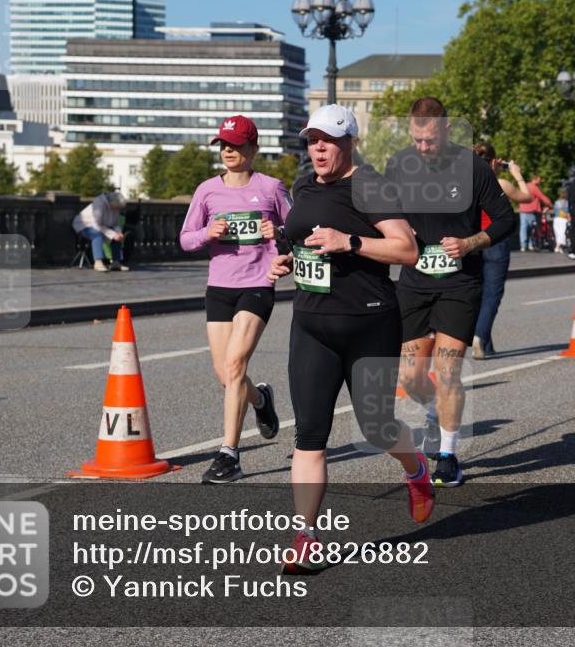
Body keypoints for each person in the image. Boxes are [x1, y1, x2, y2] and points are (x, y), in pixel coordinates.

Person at [267, 104, 433, 571]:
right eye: (311, 140)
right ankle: (307, 536)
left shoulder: (370, 185)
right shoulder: (303, 186)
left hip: (369, 322)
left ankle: (415, 468)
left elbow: (407, 250)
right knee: (309, 436)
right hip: (312, 323)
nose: (318, 148)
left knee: (377, 427)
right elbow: (300, 241)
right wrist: (287, 260)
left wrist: (352, 242)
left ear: (349, 141)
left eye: (328, 140)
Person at [384, 97, 516, 487]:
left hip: (460, 282)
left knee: (447, 372)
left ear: (444, 130)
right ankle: (434, 413)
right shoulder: (399, 165)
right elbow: (380, 213)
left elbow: (506, 219)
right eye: (416, 140)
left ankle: (447, 455)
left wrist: (471, 242)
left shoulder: (472, 168)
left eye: (429, 140)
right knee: (409, 378)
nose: (422, 148)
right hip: (414, 281)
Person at [179, 115, 286, 483]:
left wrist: (280, 232)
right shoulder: (207, 191)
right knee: (226, 374)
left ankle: (229, 455)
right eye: (224, 145)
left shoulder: (271, 188)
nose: (229, 151)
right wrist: (209, 232)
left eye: (237, 145)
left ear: (253, 149)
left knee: (237, 362)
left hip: (258, 284)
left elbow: (299, 234)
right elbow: (186, 239)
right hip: (220, 286)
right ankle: (261, 400)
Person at [472, 142, 532, 360]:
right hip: (496, 241)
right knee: (492, 294)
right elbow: (527, 197)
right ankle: (479, 336)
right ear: (494, 161)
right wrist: (517, 174)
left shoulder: (466, 182)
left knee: (478, 292)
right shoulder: (500, 183)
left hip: (473, 242)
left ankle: (486, 343)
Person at [73, 191, 129, 272]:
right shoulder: (99, 204)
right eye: (117, 207)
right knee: (97, 234)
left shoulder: (115, 206)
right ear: (111, 204)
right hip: (85, 225)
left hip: (102, 226)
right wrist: (113, 234)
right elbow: (97, 225)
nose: (118, 210)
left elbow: (115, 224)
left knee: (117, 237)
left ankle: (116, 262)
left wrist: (118, 233)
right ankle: (98, 262)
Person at [519, 175, 550, 252]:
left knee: (523, 228)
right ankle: (530, 245)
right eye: (539, 180)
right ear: (535, 180)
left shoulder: (525, 185)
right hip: (531, 211)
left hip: (522, 210)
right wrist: (551, 205)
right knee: (531, 229)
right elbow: (542, 197)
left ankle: (523, 246)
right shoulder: (534, 187)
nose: (540, 181)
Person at [553, 189, 569, 253]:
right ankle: (557, 246)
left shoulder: (556, 202)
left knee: (558, 234)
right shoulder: (567, 202)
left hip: (556, 219)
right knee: (563, 234)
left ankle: (560, 248)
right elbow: (568, 211)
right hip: (563, 219)